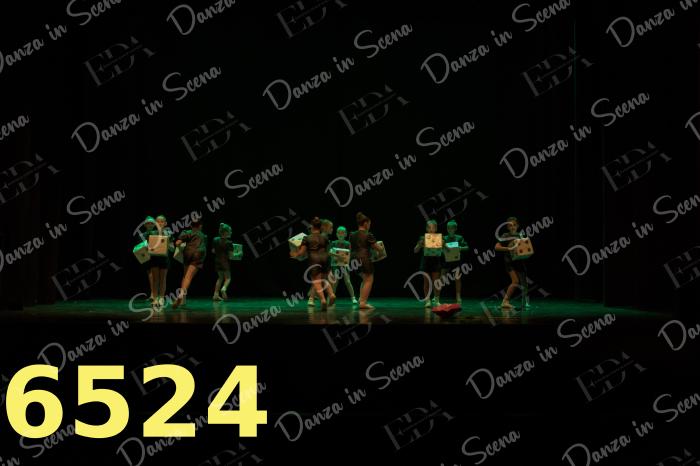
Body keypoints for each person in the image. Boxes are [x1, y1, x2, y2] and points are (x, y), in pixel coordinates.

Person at [291, 217, 335, 309]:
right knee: (325, 280)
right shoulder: (325, 237)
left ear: (312, 226)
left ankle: (323, 300)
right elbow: (328, 250)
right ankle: (331, 294)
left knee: (316, 281)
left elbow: (302, 252)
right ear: (320, 227)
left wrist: (295, 254)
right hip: (325, 258)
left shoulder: (307, 238)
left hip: (314, 259)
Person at [349, 212, 382, 310]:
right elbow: (378, 248)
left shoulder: (352, 234)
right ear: (365, 223)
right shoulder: (368, 235)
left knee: (364, 279)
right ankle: (363, 302)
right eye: (369, 224)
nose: (369, 226)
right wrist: (380, 247)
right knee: (369, 279)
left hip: (353, 259)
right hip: (364, 258)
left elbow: (351, 248)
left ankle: (361, 299)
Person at [172, 217, 207, 309]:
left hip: (188, 253)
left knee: (185, 276)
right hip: (199, 253)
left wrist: (180, 244)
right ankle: (181, 295)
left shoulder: (186, 232)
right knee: (188, 276)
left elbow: (177, 243)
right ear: (200, 226)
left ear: (191, 226)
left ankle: (182, 299)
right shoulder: (203, 235)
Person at [494, 217, 528, 310]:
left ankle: (525, 301)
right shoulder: (506, 235)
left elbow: (525, 247)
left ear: (518, 226)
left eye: (514, 225)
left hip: (519, 261)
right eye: (510, 225)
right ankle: (505, 301)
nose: (512, 227)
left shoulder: (520, 235)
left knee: (524, 282)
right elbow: (497, 247)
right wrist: (508, 248)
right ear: (507, 227)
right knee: (515, 281)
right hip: (509, 262)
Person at [414, 220, 443, 307]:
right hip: (426, 262)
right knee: (426, 282)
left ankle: (437, 300)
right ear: (426, 228)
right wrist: (420, 244)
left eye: (433, 227)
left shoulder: (439, 238)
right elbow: (415, 250)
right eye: (429, 227)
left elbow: (444, 251)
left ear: (436, 228)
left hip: (436, 262)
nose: (431, 229)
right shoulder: (422, 238)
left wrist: (443, 245)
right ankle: (427, 300)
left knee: (436, 282)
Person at [441, 219, 470, 304]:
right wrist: (443, 251)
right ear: (447, 229)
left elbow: (467, 247)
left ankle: (458, 296)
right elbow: (439, 249)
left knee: (457, 278)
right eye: (448, 228)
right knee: (442, 278)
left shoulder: (459, 238)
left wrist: (460, 248)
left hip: (457, 261)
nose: (450, 230)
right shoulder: (444, 238)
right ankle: (437, 296)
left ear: (455, 229)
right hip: (446, 261)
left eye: (452, 228)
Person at [148, 215, 172, 310]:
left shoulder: (168, 233)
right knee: (155, 279)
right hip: (154, 259)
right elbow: (147, 245)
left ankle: (161, 297)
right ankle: (155, 298)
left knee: (163, 279)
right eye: (158, 221)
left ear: (165, 223)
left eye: (162, 221)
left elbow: (172, 247)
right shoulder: (151, 233)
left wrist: (170, 245)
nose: (160, 223)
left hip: (164, 259)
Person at [330, 226, 357, 304]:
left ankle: (353, 297)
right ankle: (332, 297)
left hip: (345, 265)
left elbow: (349, 254)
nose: (340, 234)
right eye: (339, 232)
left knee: (347, 281)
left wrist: (346, 260)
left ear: (345, 234)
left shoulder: (347, 243)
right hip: (335, 264)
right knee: (335, 281)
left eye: (342, 232)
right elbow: (330, 253)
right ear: (336, 234)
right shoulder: (333, 243)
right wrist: (336, 257)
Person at [212, 223, 234, 301]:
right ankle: (224, 289)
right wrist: (238, 254)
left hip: (217, 261)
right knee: (228, 278)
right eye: (230, 231)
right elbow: (231, 256)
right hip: (225, 262)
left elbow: (213, 251)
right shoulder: (229, 242)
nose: (231, 232)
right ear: (226, 232)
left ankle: (215, 295)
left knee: (220, 278)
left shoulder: (215, 239)